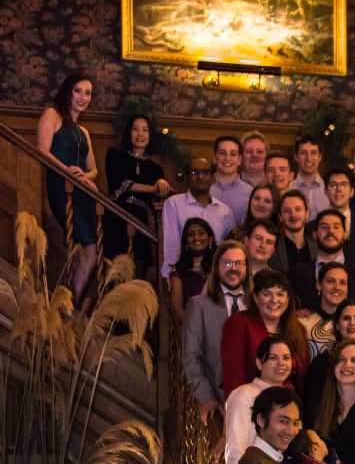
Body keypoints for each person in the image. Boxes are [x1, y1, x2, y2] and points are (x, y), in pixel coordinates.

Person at [36, 72, 99, 304]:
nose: (83, 97)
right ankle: (69, 305)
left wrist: (84, 176)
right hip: (61, 188)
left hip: (81, 193)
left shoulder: (84, 132)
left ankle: (67, 300)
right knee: (89, 247)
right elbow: (42, 151)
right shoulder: (52, 114)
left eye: (88, 93)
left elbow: (93, 170)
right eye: (78, 91)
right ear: (67, 91)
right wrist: (69, 173)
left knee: (87, 248)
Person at [288, 209, 355, 343]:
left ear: (346, 234)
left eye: (336, 227)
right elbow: (288, 318)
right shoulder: (296, 274)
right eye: (324, 227)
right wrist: (294, 315)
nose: (330, 231)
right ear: (314, 235)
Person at [183, 238, 250, 424]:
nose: (233, 268)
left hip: (253, 401)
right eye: (227, 263)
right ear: (216, 267)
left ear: (247, 267)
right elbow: (191, 356)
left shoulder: (257, 304)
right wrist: (206, 397)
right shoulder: (199, 305)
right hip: (219, 400)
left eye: (239, 263)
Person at [220, 269, 308, 398]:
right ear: (255, 297)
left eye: (280, 294)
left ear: (288, 298)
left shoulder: (297, 329)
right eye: (267, 294)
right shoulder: (238, 324)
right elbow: (233, 377)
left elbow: (302, 378)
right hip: (253, 408)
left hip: (292, 409)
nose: (274, 300)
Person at [103, 112, 173, 272]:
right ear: (129, 133)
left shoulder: (155, 169)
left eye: (145, 130)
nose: (140, 134)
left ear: (150, 135)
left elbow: (160, 194)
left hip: (140, 219)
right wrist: (153, 187)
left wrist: (161, 183)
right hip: (117, 215)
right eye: (135, 129)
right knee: (115, 267)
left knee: (139, 265)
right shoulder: (114, 155)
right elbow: (119, 184)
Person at [224, 337, 293, 464]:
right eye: (273, 358)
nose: (281, 363)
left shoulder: (290, 399)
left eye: (286, 358)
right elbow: (236, 452)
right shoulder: (244, 394)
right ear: (259, 363)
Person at [161, 157, 235, 278]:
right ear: (186, 177)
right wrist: (169, 277)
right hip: (184, 276)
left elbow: (230, 249)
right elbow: (171, 245)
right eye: (195, 173)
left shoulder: (225, 211)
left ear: (212, 177)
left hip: (216, 278)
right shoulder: (174, 204)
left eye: (205, 173)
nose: (200, 177)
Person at [303, 300, 355, 410]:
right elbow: (311, 403)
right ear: (337, 326)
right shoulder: (322, 362)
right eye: (346, 318)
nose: (352, 323)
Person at [319, 167, 355, 266]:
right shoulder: (313, 227)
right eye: (333, 185)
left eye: (343, 185)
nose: (339, 190)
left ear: (352, 191)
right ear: (325, 192)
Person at [169, 218, 217, 331]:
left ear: (210, 239)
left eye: (201, 233)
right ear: (186, 241)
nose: (196, 237)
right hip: (192, 329)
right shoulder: (178, 272)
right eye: (191, 234)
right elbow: (178, 310)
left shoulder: (219, 268)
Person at [300, 261, 349, 358]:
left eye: (343, 283)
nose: (337, 287)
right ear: (319, 285)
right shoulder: (302, 322)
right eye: (330, 281)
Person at [270, 190, 316, 275]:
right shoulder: (272, 248)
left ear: (307, 214)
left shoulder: (316, 249)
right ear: (280, 217)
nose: (293, 215)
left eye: (298, 209)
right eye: (287, 211)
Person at [210, 134, 252, 225]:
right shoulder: (203, 188)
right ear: (214, 157)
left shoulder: (250, 193)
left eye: (233, 154)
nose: (227, 158)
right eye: (222, 153)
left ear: (240, 160)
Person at [291, 134, 327, 219]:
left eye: (313, 153)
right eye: (303, 153)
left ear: (320, 157)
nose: (309, 158)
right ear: (296, 156)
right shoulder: (289, 189)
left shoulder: (329, 191)